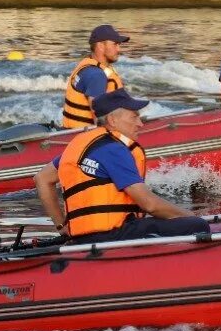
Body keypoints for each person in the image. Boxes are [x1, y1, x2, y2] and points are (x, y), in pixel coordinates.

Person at [35, 89, 208, 242]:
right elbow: (150, 205)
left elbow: (42, 178)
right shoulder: (114, 149)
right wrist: (189, 216)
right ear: (112, 120)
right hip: (114, 234)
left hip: (84, 236)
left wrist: (62, 227)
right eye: (134, 116)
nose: (140, 123)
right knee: (197, 225)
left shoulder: (83, 144)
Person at [62, 24, 129, 128]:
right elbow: (100, 121)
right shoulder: (96, 75)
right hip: (82, 136)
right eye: (115, 44)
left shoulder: (89, 65)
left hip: (71, 131)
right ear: (101, 46)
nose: (119, 49)